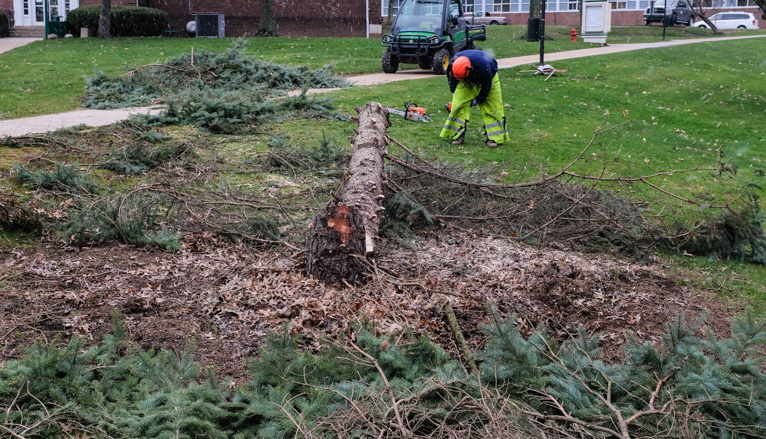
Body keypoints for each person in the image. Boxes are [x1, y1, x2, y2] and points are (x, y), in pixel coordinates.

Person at [439, 50, 510, 148]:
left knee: (493, 108)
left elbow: (486, 89)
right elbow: (451, 81)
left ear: (469, 70)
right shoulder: (452, 65)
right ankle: (457, 135)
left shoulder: (483, 68)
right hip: (465, 76)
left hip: (489, 78)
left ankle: (494, 138)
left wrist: (476, 101)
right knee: (458, 106)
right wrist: (454, 94)